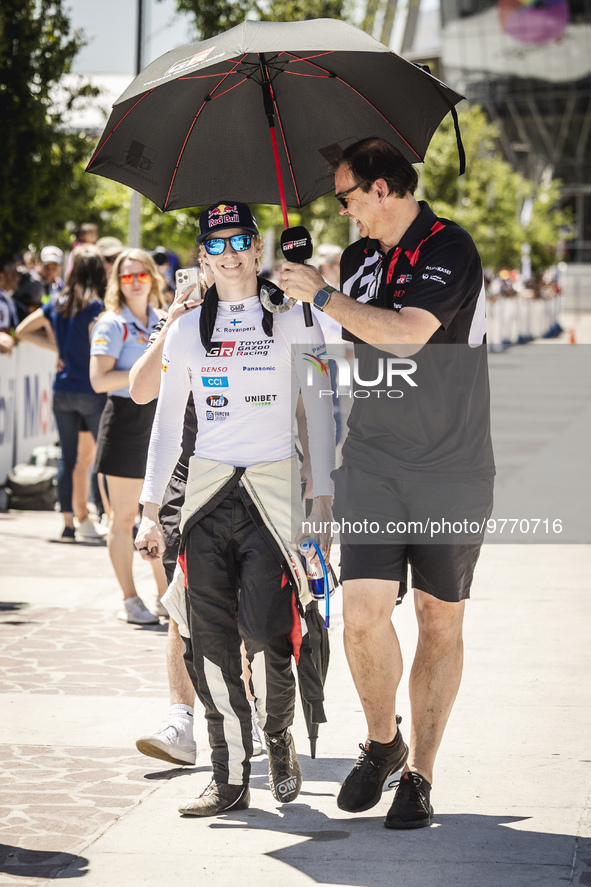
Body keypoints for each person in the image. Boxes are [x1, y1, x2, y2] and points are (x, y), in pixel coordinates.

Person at [280, 138, 495, 830]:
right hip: (372, 461)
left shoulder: (448, 246)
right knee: (361, 614)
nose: (341, 210)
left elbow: (406, 335)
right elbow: (339, 346)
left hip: (451, 467)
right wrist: (297, 296)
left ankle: (420, 773)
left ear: (382, 188)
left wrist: (324, 293)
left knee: (439, 618)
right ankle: (381, 738)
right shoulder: (355, 261)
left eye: (345, 196)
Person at [135, 202, 334, 817]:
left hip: (275, 498)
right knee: (211, 641)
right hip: (206, 498)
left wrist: (323, 497)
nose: (228, 254)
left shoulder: (296, 314)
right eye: (214, 244)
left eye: (239, 241)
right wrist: (148, 510)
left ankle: (279, 741)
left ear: (256, 248)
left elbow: (322, 409)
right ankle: (227, 775)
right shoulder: (189, 328)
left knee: (271, 633)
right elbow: (168, 427)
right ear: (203, 257)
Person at [89, 248, 168, 624]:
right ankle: (129, 599)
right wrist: (143, 371)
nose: (135, 282)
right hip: (124, 420)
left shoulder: (163, 318)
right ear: (116, 283)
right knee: (122, 519)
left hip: (158, 419)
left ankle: (165, 595)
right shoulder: (111, 323)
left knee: (160, 516)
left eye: (141, 275)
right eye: (126, 276)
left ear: (152, 277)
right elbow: (99, 380)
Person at [15, 248, 108, 541]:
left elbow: (22, 330)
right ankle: (115, 518)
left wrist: (57, 348)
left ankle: (69, 523)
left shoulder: (57, 302)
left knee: (69, 459)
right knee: (105, 457)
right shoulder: (97, 307)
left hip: (63, 390)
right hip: (92, 390)